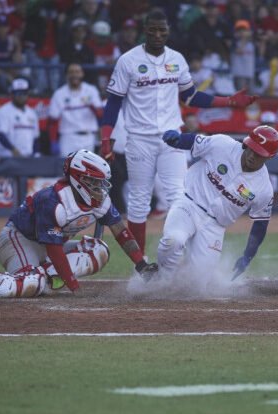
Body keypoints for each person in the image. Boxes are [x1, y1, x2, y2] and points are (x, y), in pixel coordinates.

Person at [100, 8, 258, 255]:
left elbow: (191, 96)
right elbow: (113, 103)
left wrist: (228, 101)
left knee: (179, 197)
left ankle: (181, 257)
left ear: (168, 32)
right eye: (152, 30)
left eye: (162, 30)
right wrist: (106, 138)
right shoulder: (127, 61)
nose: (157, 34)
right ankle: (140, 267)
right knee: (139, 202)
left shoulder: (176, 59)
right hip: (139, 139)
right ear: (145, 31)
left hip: (171, 137)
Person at [0, 149, 158, 298]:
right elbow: (54, 250)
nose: (100, 188)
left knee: (99, 250)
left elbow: (120, 232)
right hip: (19, 240)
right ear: (79, 179)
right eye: (95, 182)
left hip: (49, 246)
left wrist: (141, 264)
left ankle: (44, 273)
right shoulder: (53, 201)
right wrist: (74, 286)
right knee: (33, 284)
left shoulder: (100, 201)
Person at [156, 125, 278, 288]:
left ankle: (181, 273)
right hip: (189, 204)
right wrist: (177, 139)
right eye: (251, 149)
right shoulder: (223, 145)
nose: (251, 156)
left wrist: (247, 256)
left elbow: (260, 225)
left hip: (215, 226)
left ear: (269, 157)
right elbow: (193, 142)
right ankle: (161, 280)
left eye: (259, 154)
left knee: (198, 285)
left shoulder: (264, 189)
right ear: (246, 144)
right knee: (174, 240)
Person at [48, 63, 103, 157]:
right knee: (67, 170)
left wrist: (91, 106)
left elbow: (100, 115)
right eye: (71, 72)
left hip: (88, 137)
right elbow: (53, 120)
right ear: (66, 75)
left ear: (82, 74)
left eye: (77, 72)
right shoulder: (59, 94)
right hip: (67, 138)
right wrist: (53, 141)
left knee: (86, 170)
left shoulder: (91, 90)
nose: (74, 75)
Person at [0, 78, 40, 158]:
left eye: (24, 93)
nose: (21, 96)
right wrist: (13, 149)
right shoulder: (3, 111)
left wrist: (36, 154)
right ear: (12, 94)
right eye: (18, 93)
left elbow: (35, 138)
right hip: (8, 156)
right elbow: (0, 135)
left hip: (27, 157)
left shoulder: (32, 113)